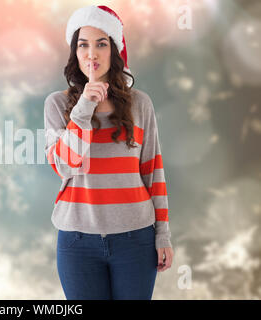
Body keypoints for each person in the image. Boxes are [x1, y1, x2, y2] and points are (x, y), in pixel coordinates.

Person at [43, 5, 174, 300]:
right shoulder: (57, 105)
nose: (92, 53)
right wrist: (83, 108)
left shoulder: (140, 104)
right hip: (77, 243)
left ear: (114, 51)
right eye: (83, 44)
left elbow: (153, 171)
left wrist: (162, 234)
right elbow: (65, 165)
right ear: (74, 53)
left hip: (136, 239)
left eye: (101, 44)